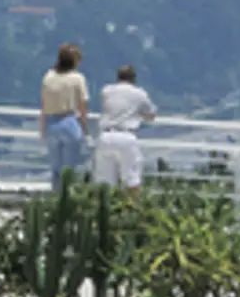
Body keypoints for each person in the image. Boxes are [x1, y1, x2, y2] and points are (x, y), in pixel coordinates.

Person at [94, 64, 156, 192]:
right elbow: (151, 115)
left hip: (106, 136)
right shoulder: (139, 94)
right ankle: (131, 208)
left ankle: (105, 209)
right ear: (133, 79)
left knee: (105, 183)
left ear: (117, 78)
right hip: (126, 136)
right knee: (131, 181)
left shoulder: (106, 91)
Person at [38, 43, 90, 189]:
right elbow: (83, 104)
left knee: (55, 168)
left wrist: (42, 128)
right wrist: (84, 128)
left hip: (51, 122)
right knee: (69, 168)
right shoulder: (77, 78)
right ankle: (67, 199)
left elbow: (43, 104)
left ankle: (56, 195)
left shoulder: (48, 77)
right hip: (69, 121)